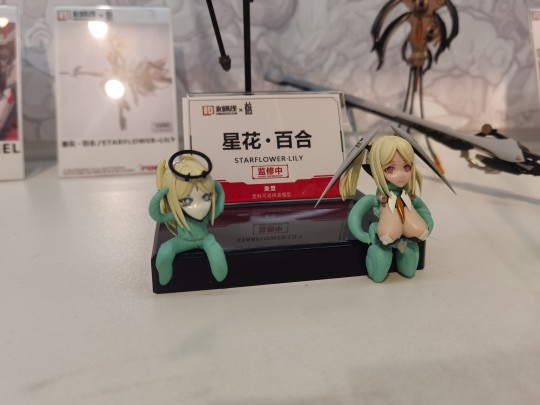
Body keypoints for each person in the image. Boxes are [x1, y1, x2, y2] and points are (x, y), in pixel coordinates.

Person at [340, 135, 433, 282]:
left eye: (407, 167)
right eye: (390, 169)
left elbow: (423, 210)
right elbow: (355, 215)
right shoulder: (375, 199)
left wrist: (428, 225)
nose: (401, 175)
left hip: (408, 242)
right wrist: (364, 236)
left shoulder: (409, 197)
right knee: (380, 267)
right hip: (382, 243)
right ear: (375, 169)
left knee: (409, 270)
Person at [149, 150, 227, 285]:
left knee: (216, 253)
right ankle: (164, 279)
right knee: (165, 252)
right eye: (186, 200)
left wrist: (219, 191)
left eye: (206, 197)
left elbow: (217, 210)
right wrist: (160, 195)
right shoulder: (177, 214)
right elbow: (157, 216)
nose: (199, 207)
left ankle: (221, 279)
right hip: (182, 240)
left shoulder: (207, 213)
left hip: (205, 238)